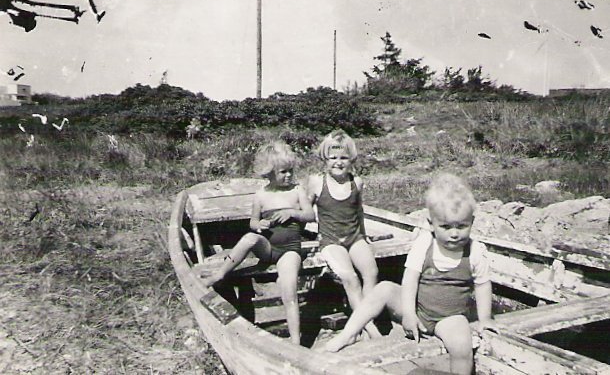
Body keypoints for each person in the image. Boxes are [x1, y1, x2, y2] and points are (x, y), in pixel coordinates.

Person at [325, 173, 496, 375]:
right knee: (384, 288)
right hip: (417, 308)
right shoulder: (425, 243)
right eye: (446, 226)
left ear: (472, 222)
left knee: (462, 345)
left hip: (449, 318)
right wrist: (408, 314)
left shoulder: (475, 251)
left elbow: (483, 284)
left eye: (461, 226)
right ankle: (349, 333)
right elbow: (410, 280)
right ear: (431, 223)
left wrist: (484, 319)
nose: (454, 233)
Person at [201, 140, 315, 345]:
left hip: (290, 249)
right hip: (269, 247)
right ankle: (220, 273)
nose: (288, 175)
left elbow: (309, 215)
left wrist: (292, 212)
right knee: (249, 238)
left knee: (289, 291)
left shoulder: (296, 191)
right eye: (283, 172)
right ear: (269, 172)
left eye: (291, 171)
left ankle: (295, 341)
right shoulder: (261, 195)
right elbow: (253, 223)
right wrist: (259, 224)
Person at [307, 129, 381, 338]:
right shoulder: (317, 182)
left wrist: (364, 238)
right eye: (333, 158)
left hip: (354, 237)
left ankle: (367, 319)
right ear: (325, 159)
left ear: (351, 160)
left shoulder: (356, 182)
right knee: (350, 278)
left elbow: (359, 212)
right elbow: (304, 209)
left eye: (343, 158)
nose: (338, 162)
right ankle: (368, 328)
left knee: (371, 272)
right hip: (331, 241)